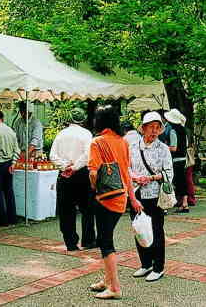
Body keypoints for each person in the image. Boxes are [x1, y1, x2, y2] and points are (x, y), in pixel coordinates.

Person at [88, 106, 141, 300]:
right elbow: (126, 173)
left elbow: (93, 172)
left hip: (104, 199)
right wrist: (133, 199)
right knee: (106, 238)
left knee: (105, 242)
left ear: (99, 122)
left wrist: (94, 186)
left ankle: (115, 287)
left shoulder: (97, 142)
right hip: (121, 199)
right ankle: (107, 280)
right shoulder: (123, 142)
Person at [129, 111, 173, 283]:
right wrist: (134, 177)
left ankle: (158, 267)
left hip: (155, 195)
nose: (154, 131)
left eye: (157, 127)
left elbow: (169, 172)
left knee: (156, 230)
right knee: (139, 228)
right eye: (151, 127)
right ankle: (145, 263)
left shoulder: (162, 149)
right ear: (144, 128)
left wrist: (152, 177)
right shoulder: (132, 146)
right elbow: (125, 167)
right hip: (136, 193)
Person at [49, 107, 96, 251]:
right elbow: (88, 155)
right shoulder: (86, 134)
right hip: (81, 174)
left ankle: (70, 242)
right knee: (87, 209)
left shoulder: (61, 134)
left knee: (66, 210)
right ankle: (88, 240)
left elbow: (52, 155)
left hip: (64, 175)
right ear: (83, 120)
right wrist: (75, 167)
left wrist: (65, 166)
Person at [0, 110, 20, 226]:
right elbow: (17, 149)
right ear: (3, 118)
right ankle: (12, 218)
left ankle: (2, 219)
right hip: (10, 163)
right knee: (9, 190)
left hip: (0, 163)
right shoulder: (10, 130)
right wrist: (13, 163)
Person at [165, 109, 190, 214]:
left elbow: (174, 148)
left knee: (177, 182)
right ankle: (184, 203)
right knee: (182, 181)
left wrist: (164, 147)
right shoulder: (183, 130)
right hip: (183, 159)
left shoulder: (173, 131)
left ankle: (183, 204)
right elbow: (187, 144)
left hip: (176, 160)